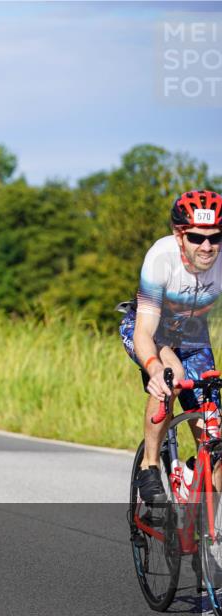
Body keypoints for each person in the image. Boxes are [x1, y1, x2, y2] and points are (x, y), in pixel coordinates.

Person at [120, 189, 222, 502]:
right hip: (152, 331)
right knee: (171, 375)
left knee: (215, 438)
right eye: (196, 237)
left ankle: (204, 531)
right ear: (179, 236)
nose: (206, 246)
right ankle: (150, 466)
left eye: (215, 238)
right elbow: (145, 330)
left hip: (193, 336)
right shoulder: (160, 257)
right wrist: (153, 367)